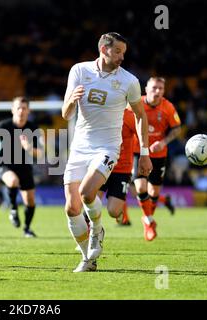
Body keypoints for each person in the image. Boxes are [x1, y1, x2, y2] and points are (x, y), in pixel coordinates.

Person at [62, 32, 152, 272]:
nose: (122, 57)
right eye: (118, 51)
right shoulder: (79, 71)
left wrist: (144, 152)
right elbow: (66, 113)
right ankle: (88, 260)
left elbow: (141, 115)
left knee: (87, 193)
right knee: (71, 208)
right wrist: (72, 100)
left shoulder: (129, 81)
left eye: (124, 52)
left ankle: (97, 230)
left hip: (108, 146)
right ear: (104, 49)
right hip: (80, 146)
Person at [0, 97, 45, 238]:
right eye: (18, 108)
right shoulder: (3, 126)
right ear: (13, 110)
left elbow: (41, 153)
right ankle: (13, 208)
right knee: (13, 181)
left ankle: (27, 229)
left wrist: (29, 148)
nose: (21, 111)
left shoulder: (33, 128)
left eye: (24, 108)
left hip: (24, 165)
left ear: (28, 111)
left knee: (30, 200)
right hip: (4, 163)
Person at [132, 77, 181, 241]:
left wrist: (164, 141)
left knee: (153, 192)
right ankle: (149, 221)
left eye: (161, 88)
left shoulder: (167, 107)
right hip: (138, 152)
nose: (157, 91)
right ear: (146, 89)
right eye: (154, 88)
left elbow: (176, 128)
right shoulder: (136, 103)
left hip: (159, 154)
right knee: (140, 187)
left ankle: (147, 219)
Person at [98, 106, 137, 226]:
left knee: (113, 211)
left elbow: (142, 135)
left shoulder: (130, 116)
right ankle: (91, 233)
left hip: (122, 169)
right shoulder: (101, 114)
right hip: (102, 164)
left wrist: (144, 156)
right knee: (92, 201)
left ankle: (120, 211)